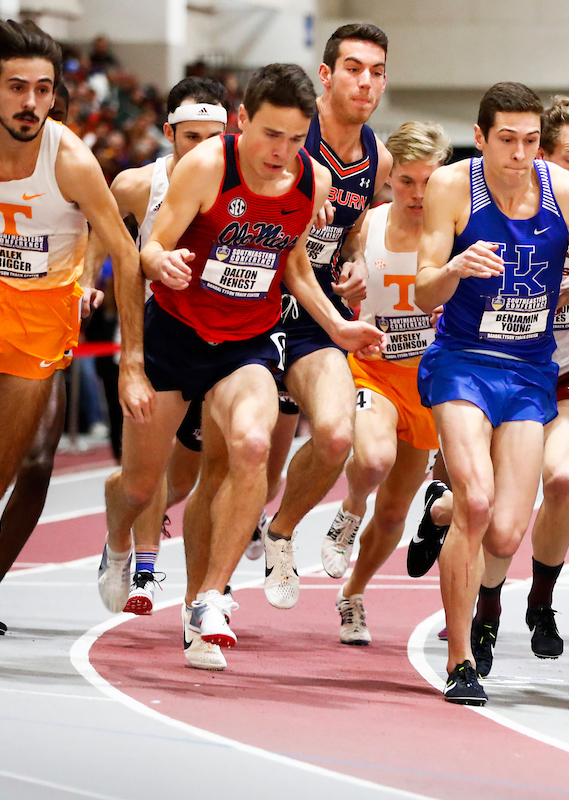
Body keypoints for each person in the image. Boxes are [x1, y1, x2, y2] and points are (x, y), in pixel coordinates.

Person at [100, 63, 383, 670]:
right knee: (142, 486)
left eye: (294, 138)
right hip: (176, 336)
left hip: (245, 344)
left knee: (254, 444)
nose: (280, 152)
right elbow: (150, 244)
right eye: (269, 135)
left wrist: (337, 327)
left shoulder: (310, 179)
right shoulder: (208, 166)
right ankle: (118, 538)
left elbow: (295, 265)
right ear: (242, 122)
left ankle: (208, 600)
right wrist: (161, 264)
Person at [414, 81, 569, 705]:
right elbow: (422, 291)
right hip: (462, 362)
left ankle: (441, 519)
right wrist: (455, 268)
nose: (519, 154)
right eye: (506, 141)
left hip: (528, 371)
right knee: (478, 502)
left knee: (507, 531)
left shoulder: (567, 194)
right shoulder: (451, 187)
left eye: (531, 142)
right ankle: (462, 659)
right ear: (481, 136)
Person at [0, 19, 140, 654]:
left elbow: (126, 256)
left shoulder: (72, 160)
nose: (32, 103)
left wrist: (131, 360)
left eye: (44, 90)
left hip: (44, 316)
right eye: (17, 88)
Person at [260, 23, 392, 610]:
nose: (366, 82)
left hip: (318, 314)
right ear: (327, 74)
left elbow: (354, 226)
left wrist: (358, 259)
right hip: (254, 299)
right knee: (229, 461)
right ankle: (149, 553)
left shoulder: (377, 157)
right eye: (355, 68)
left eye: (377, 71)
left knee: (337, 435)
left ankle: (281, 530)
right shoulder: (292, 134)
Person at [88, 77, 228, 616]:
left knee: (186, 474)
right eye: (190, 136)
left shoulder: (239, 181)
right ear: (168, 132)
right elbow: (95, 231)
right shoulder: (136, 185)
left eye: (213, 136)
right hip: (153, 333)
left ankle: (132, 521)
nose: (202, 147)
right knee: (145, 478)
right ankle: (139, 560)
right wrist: (85, 279)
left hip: (216, 337)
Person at [323, 121, 450, 644]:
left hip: (425, 381)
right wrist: (347, 284)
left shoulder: (455, 230)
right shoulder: (367, 226)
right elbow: (336, 276)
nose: (418, 194)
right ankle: (349, 512)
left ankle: (353, 592)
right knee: (372, 460)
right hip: (371, 369)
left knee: (397, 509)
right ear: (388, 178)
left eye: (428, 182)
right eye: (406, 182)